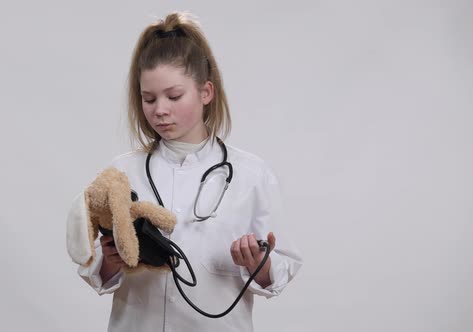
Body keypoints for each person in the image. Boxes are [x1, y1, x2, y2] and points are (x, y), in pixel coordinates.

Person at [68, 12, 303, 332]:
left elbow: (280, 269)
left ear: (206, 92)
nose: (159, 110)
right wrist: (111, 258)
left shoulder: (252, 175)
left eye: (174, 96)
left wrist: (256, 264)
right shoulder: (122, 172)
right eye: (148, 99)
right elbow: (93, 265)